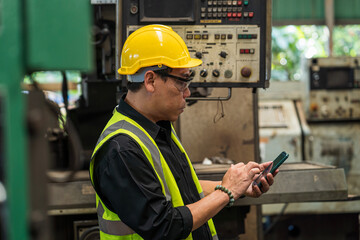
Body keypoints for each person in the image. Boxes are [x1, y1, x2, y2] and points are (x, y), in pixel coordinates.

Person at [89, 24, 277, 240]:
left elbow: (181, 190)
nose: (187, 92)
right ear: (150, 81)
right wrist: (226, 192)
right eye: (182, 82)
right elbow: (163, 226)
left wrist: (239, 186)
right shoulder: (122, 149)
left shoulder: (156, 128)